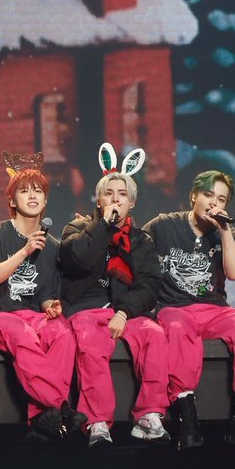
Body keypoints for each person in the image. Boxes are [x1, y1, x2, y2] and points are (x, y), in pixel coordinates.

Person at [145, 169, 235, 447]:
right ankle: (187, 420)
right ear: (194, 196)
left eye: (221, 199)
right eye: (208, 195)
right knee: (177, 329)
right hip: (174, 307)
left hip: (214, 309)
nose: (214, 203)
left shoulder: (229, 234)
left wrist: (224, 230)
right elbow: (136, 255)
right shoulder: (164, 225)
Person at [59, 150, 170, 448]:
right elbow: (77, 260)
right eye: (109, 194)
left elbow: (149, 285)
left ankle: (148, 416)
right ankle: (97, 421)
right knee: (90, 341)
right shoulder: (77, 229)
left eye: (122, 195)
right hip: (86, 309)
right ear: (99, 201)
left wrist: (124, 312)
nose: (116, 199)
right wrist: (103, 226)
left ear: (132, 203)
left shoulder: (140, 240)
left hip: (125, 311)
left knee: (155, 335)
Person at [0, 156, 80, 442]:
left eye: (38, 191)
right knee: (21, 333)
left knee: (63, 333)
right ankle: (61, 406)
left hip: (33, 315)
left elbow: (45, 294)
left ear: (45, 201)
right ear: (12, 200)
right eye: (24, 190)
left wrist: (51, 306)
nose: (32, 196)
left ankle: (43, 417)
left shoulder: (52, 245)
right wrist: (24, 251)